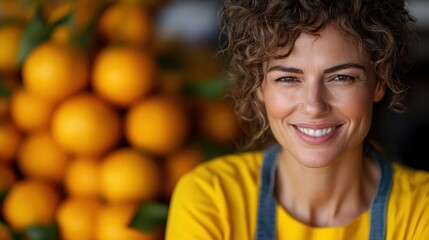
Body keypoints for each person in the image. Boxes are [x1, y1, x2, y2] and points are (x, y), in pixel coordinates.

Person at [165, 0, 429, 239]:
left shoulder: (421, 209)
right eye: (288, 78)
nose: (314, 106)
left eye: (341, 77)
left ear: (378, 83)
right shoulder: (210, 199)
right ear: (259, 86)